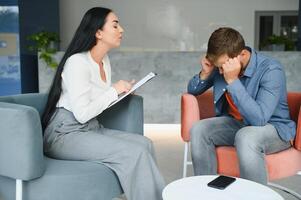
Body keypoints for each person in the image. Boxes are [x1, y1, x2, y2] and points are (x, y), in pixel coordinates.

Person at [42, 7, 165, 200]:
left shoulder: (104, 60)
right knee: (134, 153)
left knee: (145, 144)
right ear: (98, 32)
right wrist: (113, 90)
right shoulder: (77, 62)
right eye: (115, 25)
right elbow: (82, 113)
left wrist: (122, 92)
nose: (121, 30)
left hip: (91, 128)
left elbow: (98, 100)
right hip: (65, 133)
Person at [187, 27, 295, 185]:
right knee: (199, 129)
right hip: (238, 124)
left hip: (274, 128)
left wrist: (233, 81)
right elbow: (193, 90)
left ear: (242, 54)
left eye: (222, 66)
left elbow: (259, 120)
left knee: (246, 136)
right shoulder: (221, 67)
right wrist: (205, 73)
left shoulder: (271, 70)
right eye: (218, 67)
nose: (220, 71)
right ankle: (207, 192)